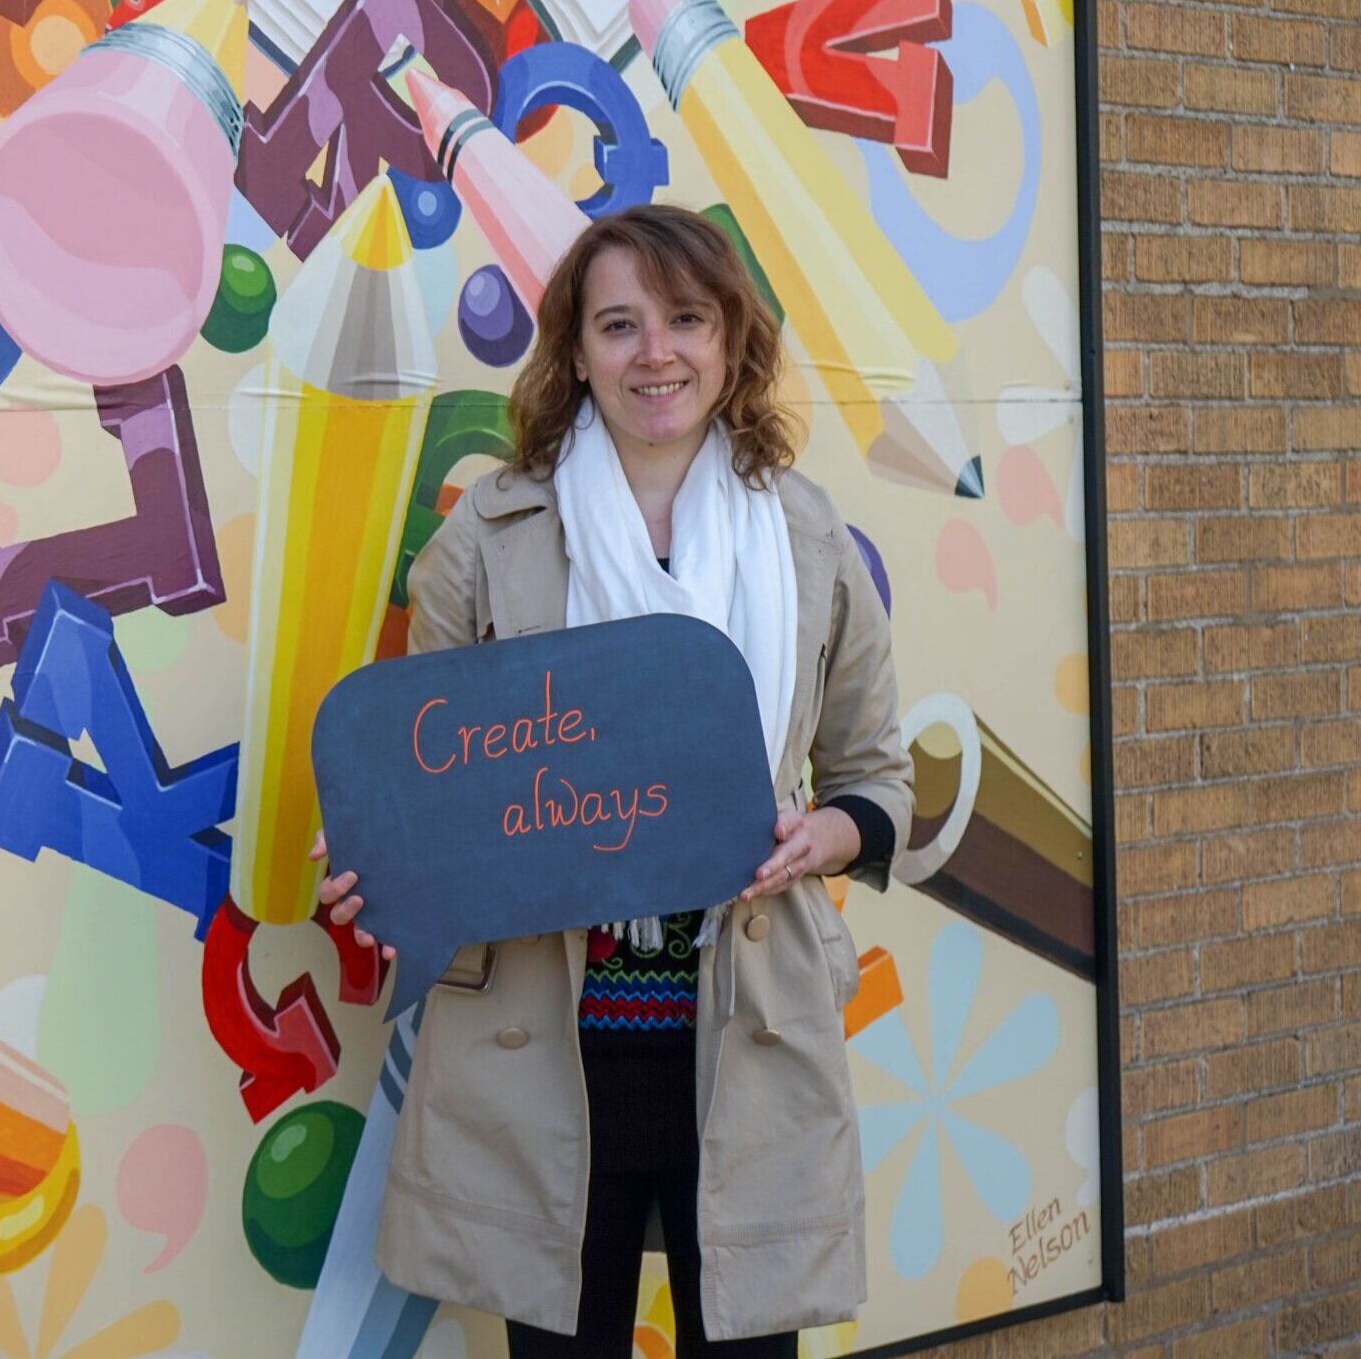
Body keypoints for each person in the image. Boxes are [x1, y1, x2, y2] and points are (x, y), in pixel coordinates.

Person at [310, 204, 914, 1356]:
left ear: (729, 337)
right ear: (575, 349)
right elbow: (423, 785)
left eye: (685, 319)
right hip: (543, 1039)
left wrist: (820, 837)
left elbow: (875, 778)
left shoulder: (807, 541)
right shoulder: (484, 540)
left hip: (749, 1031)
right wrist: (377, 872)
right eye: (620, 324)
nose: (656, 354)